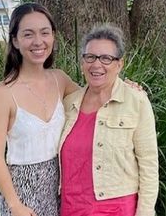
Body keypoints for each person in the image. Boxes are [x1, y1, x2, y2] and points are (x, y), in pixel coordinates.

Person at [0, 2, 79, 216]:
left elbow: (92, 98)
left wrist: (124, 88)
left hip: (59, 192)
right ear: (15, 41)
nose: (38, 42)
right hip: (22, 196)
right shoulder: (2, 94)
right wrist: (15, 205)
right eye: (28, 34)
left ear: (53, 37)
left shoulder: (60, 79)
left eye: (45, 33)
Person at [59, 24, 159, 216]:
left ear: (119, 64)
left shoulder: (136, 101)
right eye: (90, 57)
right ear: (82, 63)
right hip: (71, 207)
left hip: (117, 209)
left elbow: (148, 165)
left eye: (106, 58)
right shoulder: (68, 104)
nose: (97, 64)